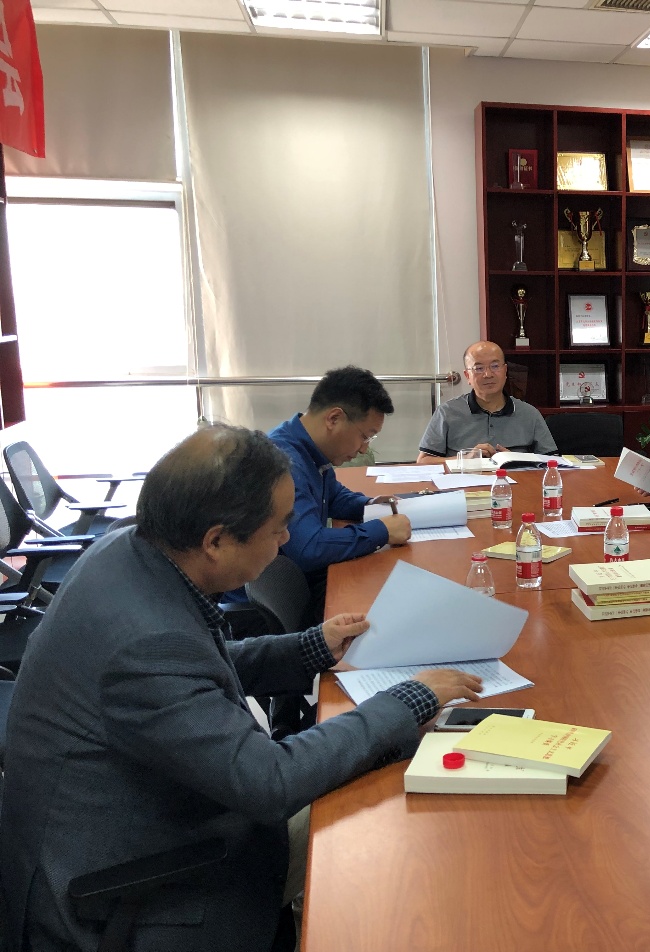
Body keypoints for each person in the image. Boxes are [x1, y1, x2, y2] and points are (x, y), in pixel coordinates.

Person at [0, 425, 482, 952]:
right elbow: (270, 781)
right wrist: (406, 699)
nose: (286, 541)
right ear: (216, 541)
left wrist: (310, 647)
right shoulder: (146, 645)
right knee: (396, 812)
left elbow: (197, 666)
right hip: (134, 887)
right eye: (278, 529)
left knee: (394, 761)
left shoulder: (130, 550)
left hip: (155, 817)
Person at [268, 366, 411, 600]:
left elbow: (333, 497)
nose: (364, 448)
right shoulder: (283, 461)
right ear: (334, 418)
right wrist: (382, 531)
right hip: (285, 596)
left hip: (299, 581)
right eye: (364, 436)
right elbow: (309, 547)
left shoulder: (309, 449)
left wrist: (371, 505)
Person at [417, 341, 556, 460]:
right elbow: (423, 462)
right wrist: (466, 459)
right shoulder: (447, 412)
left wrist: (517, 460)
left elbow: (553, 462)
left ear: (505, 371)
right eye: (479, 368)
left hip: (515, 481)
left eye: (495, 366)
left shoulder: (529, 414)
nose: (488, 374)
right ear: (467, 376)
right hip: (465, 481)